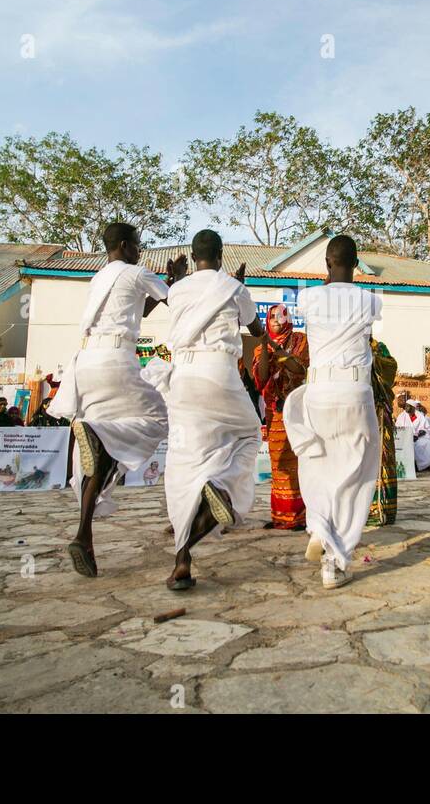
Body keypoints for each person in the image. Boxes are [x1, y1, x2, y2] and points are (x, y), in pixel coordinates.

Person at [48, 221, 184, 580]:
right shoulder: (138, 272)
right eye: (138, 244)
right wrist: (177, 281)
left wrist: (165, 285)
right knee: (159, 419)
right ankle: (101, 434)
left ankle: (84, 536)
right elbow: (178, 302)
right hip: (116, 360)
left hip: (86, 366)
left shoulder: (100, 278)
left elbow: (139, 311)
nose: (141, 250)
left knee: (99, 457)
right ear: (124, 245)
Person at [155, 229, 264, 591]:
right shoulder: (234, 288)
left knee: (184, 462)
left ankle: (182, 556)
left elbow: (182, 307)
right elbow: (257, 330)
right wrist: (239, 288)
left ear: (193, 254)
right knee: (249, 436)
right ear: (221, 254)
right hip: (221, 374)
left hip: (184, 379)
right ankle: (222, 486)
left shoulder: (176, 289)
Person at [282, 235, 384, 589]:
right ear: (356, 264)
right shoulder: (371, 300)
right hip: (355, 392)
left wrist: (328, 277)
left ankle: (321, 525)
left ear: (326, 263)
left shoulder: (308, 297)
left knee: (316, 464)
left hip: (320, 393)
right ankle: (334, 559)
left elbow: (327, 290)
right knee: (358, 474)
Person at [252, 303, 311, 530]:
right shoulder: (260, 348)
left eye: (281, 315)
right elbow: (262, 378)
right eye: (272, 316)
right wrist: (266, 346)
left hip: (297, 408)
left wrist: (278, 351)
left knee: (298, 462)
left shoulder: (300, 340)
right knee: (278, 464)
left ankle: (301, 516)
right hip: (275, 411)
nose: (276, 319)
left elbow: (300, 370)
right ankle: (281, 516)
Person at [367, 338, 400, 526]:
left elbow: (391, 367)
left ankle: (381, 509)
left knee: (381, 460)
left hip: (378, 411)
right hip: (356, 413)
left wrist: (373, 359)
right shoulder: (346, 343)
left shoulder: (378, 348)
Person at [396, 399, 430, 472]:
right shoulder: (401, 416)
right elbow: (398, 428)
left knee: (425, 443)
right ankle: (409, 466)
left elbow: (426, 428)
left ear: (413, 408)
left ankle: (422, 465)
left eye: (409, 406)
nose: (406, 408)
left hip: (418, 437)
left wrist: (417, 435)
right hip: (405, 437)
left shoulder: (420, 416)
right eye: (406, 406)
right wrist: (407, 436)